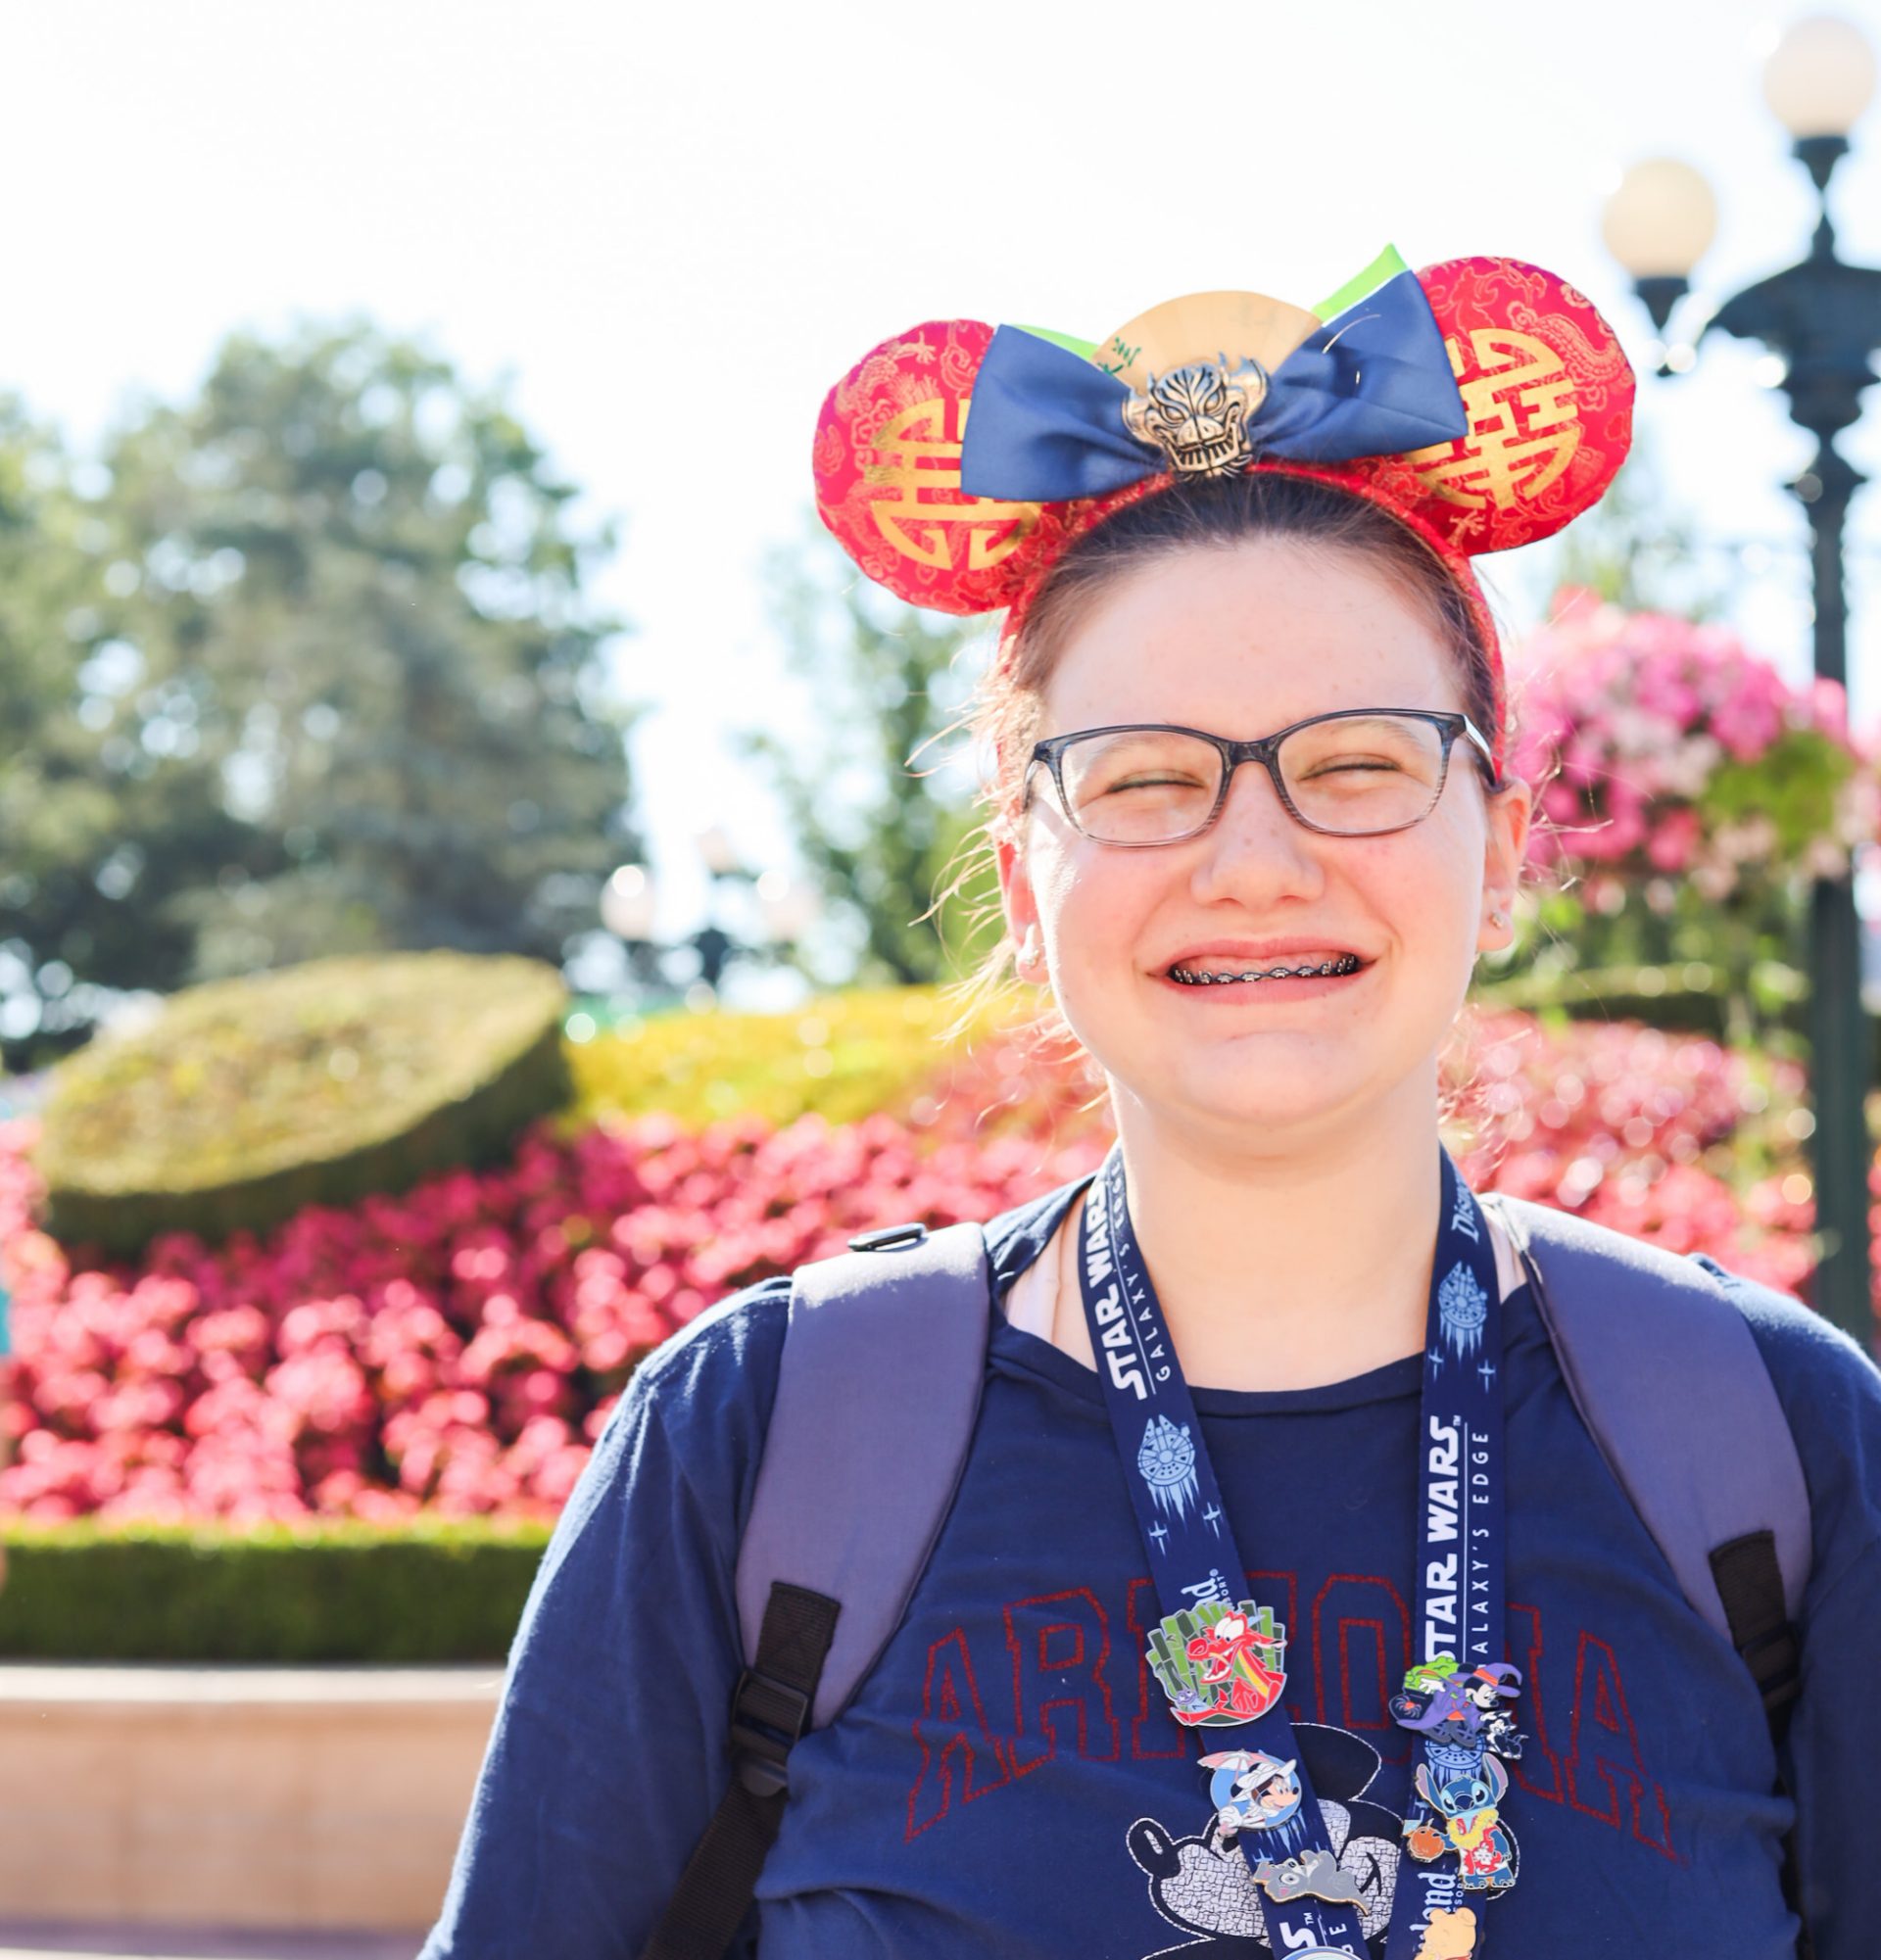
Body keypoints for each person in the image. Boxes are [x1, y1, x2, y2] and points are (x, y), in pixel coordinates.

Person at [420, 255, 1881, 1960]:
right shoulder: (755, 1443)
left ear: (1501, 850)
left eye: (1356, 762)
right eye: (1145, 780)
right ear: (1026, 886)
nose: (1254, 858)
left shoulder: (1771, 1442)